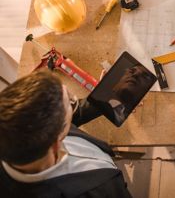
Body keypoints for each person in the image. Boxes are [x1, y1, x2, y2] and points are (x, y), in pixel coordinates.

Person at [0, 71, 132, 198]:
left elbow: (71, 116)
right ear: (56, 144)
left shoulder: (18, 133)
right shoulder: (100, 190)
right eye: (70, 104)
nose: (74, 104)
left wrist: (107, 96)